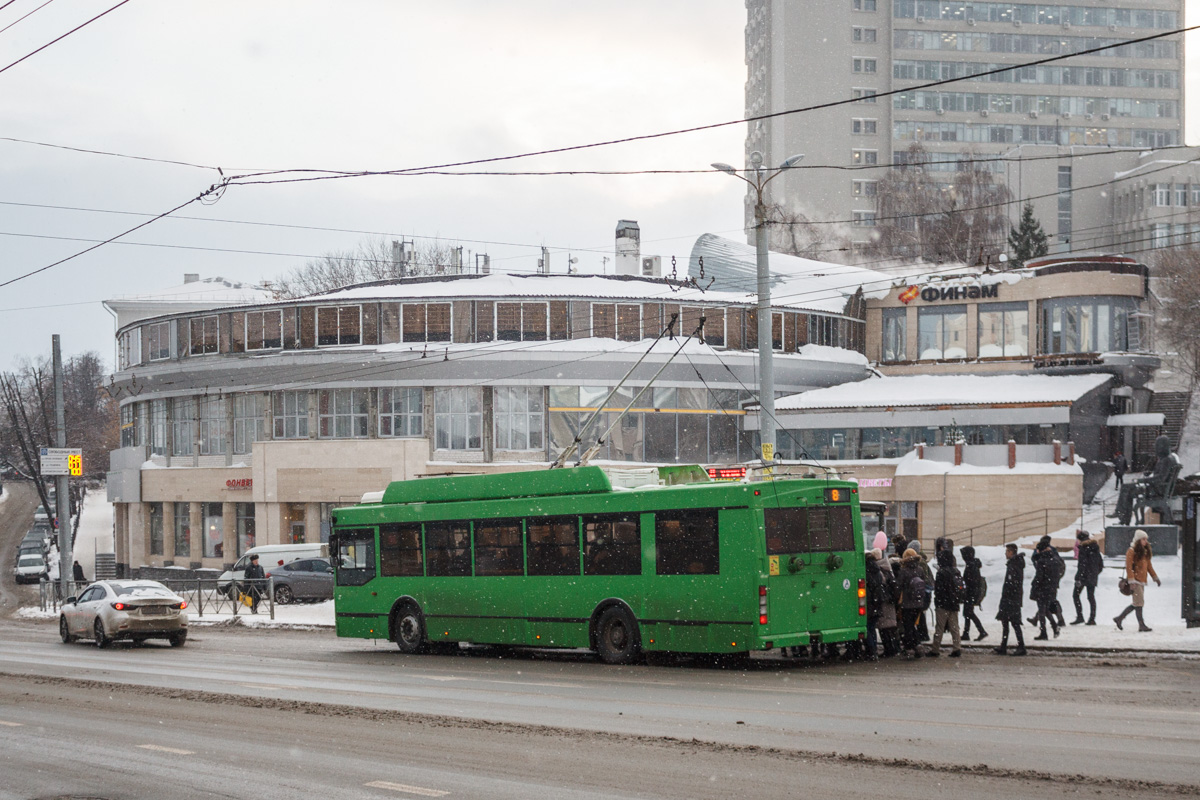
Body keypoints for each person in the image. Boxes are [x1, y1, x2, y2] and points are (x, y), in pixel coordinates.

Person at [1114, 529, 1160, 632]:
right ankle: (1141, 625)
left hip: (1142, 580)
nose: (1146, 541)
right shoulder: (1131, 551)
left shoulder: (1144, 551)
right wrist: (1131, 581)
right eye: (1143, 539)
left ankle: (1119, 618)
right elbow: (1129, 567)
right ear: (1138, 540)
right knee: (1138, 603)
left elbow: (1149, 566)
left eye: (1146, 539)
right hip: (1135, 581)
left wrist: (1155, 577)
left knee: (1137, 603)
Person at [994, 543, 1027, 656]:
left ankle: (1021, 646)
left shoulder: (1014, 565)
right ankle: (1004, 645)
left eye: (1007, 551)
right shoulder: (1014, 564)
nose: (1005, 553)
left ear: (1011, 552)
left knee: (1014, 623)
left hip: (1011, 599)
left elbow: (1012, 583)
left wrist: (1008, 597)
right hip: (1012, 598)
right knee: (1007, 622)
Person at [929, 549, 963, 658]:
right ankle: (957, 647)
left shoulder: (941, 573)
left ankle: (935, 649)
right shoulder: (956, 571)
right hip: (954, 603)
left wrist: (938, 601)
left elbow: (939, 590)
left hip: (943, 604)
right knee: (954, 627)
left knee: (940, 627)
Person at [897, 548, 927, 659]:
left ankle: (910, 648)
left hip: (907, 603)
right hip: (918, 602)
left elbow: (899, 586)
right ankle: (917, 646)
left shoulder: (904, 571)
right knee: (912, 625)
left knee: (908, 626)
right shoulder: (920, 569)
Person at [1029, 536, 1062, 640]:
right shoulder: (1055, 559)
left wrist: (1034, 585)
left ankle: (1044, 632)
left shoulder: (1042, 561)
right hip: (1052, 588)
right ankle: (1055, 627)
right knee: (1045, 609)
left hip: (1042, 588)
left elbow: (1039, 577)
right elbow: (1060, 571)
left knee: (1042, 611)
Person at [872, 547, 900, 658]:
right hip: (890, 602)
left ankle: (889, 650)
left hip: (884, 602)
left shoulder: (878, 569)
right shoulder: (888, 568)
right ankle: (894, 648)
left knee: (884, 628)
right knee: (891, 628)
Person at [1071, 530, 1103, 625]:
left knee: (1075, 595)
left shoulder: (1083, 549)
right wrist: (1095, 573)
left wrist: (1078, 577)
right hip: (1092, 576)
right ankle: (1092, 618)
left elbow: (1082, 565)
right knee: (1091, 597)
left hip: (1083, 576)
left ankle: (1080, 616)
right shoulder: (1095, 548)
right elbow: (1100, 564)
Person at [960, 545, 988, 641]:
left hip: (970, 593)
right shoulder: (973, 564)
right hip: (971, 593)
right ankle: (966, 633)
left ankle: (981, 631)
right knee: (967, 613)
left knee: (969, 613)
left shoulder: (971, 566)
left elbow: (970, 581)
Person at [908, 539, 934, 641]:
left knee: (920, 613)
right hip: (925, 590)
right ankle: (923, 634)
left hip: (923, 590)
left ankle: (923, 634)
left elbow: (923, 578)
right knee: (920, 613)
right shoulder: (922, 561)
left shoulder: (920, 562)